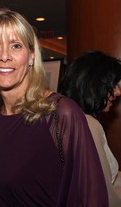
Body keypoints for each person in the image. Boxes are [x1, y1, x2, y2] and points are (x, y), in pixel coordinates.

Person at [0, 8, 108, 206]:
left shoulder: (60, 113)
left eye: (16, 46)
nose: (4, 56)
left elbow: (90, 198)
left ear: (32, 56)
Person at [58, 50, 121, 206]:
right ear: (94, 84)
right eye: (113, 85)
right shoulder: (87, 125)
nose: (118, 92)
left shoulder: (60, 118)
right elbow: (102, 197)